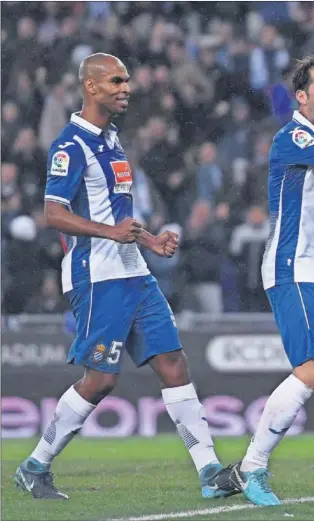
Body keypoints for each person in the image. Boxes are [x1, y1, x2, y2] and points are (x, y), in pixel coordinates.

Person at [14, 53, 237, 500]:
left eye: (127, 81)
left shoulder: (112, 142)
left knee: (174, 363)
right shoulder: (69, 145)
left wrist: (150, 240)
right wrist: (110, 234)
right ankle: (34, 466)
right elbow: (53, 214)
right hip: (97, 276)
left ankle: (210, 472)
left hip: (134, 271)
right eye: (116, 81)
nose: (126, 88)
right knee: (101, 380)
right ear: (91, 86)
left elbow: (118, 217)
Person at [216, 56, 314, 506]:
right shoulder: (292, 137)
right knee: (310, 369)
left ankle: (241, 472)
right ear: (302, 97)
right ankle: (252, 468)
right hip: (292, 267)